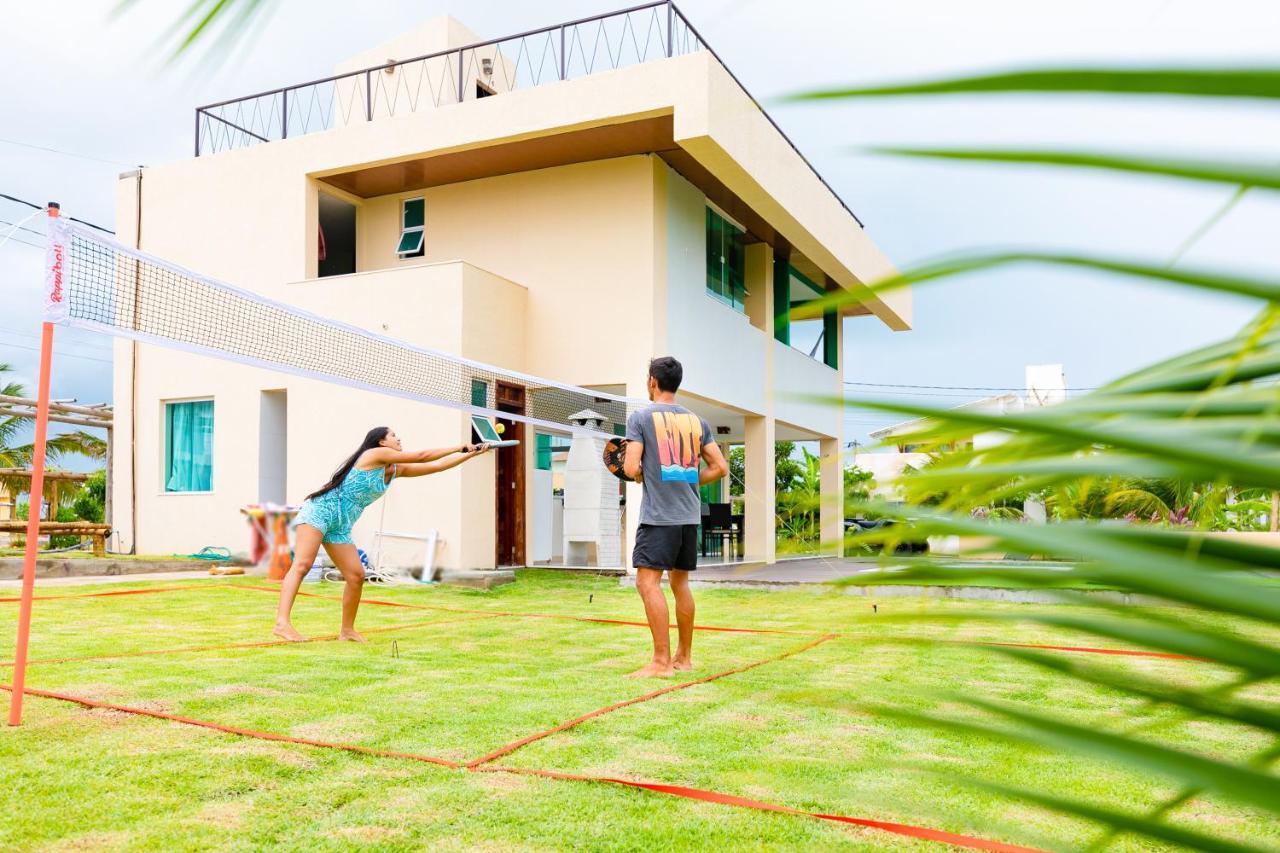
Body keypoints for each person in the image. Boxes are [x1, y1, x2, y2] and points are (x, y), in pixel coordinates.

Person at [274, 427, 489, 642]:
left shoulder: (395, 469)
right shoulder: (373, 455)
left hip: (341, 524)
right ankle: (282, 624)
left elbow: (436, 466)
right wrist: (459, 446)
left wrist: (471, 454)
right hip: (320, 511)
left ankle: (347, 631)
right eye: (394, 435)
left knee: (356, 575)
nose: (399, 438)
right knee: (303, 564)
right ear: (381, 442)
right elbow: (422, 456)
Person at [623, 357, 728, 677]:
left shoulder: (640, 418)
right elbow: (720, 468)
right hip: (688, 517)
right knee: (680, 584)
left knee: (647, 582)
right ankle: (684, 658)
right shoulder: (698, 421)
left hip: (659, 517)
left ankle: (660, 662)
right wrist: (689, 478)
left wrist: (642, 475)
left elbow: (630, 468)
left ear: (652, 381)